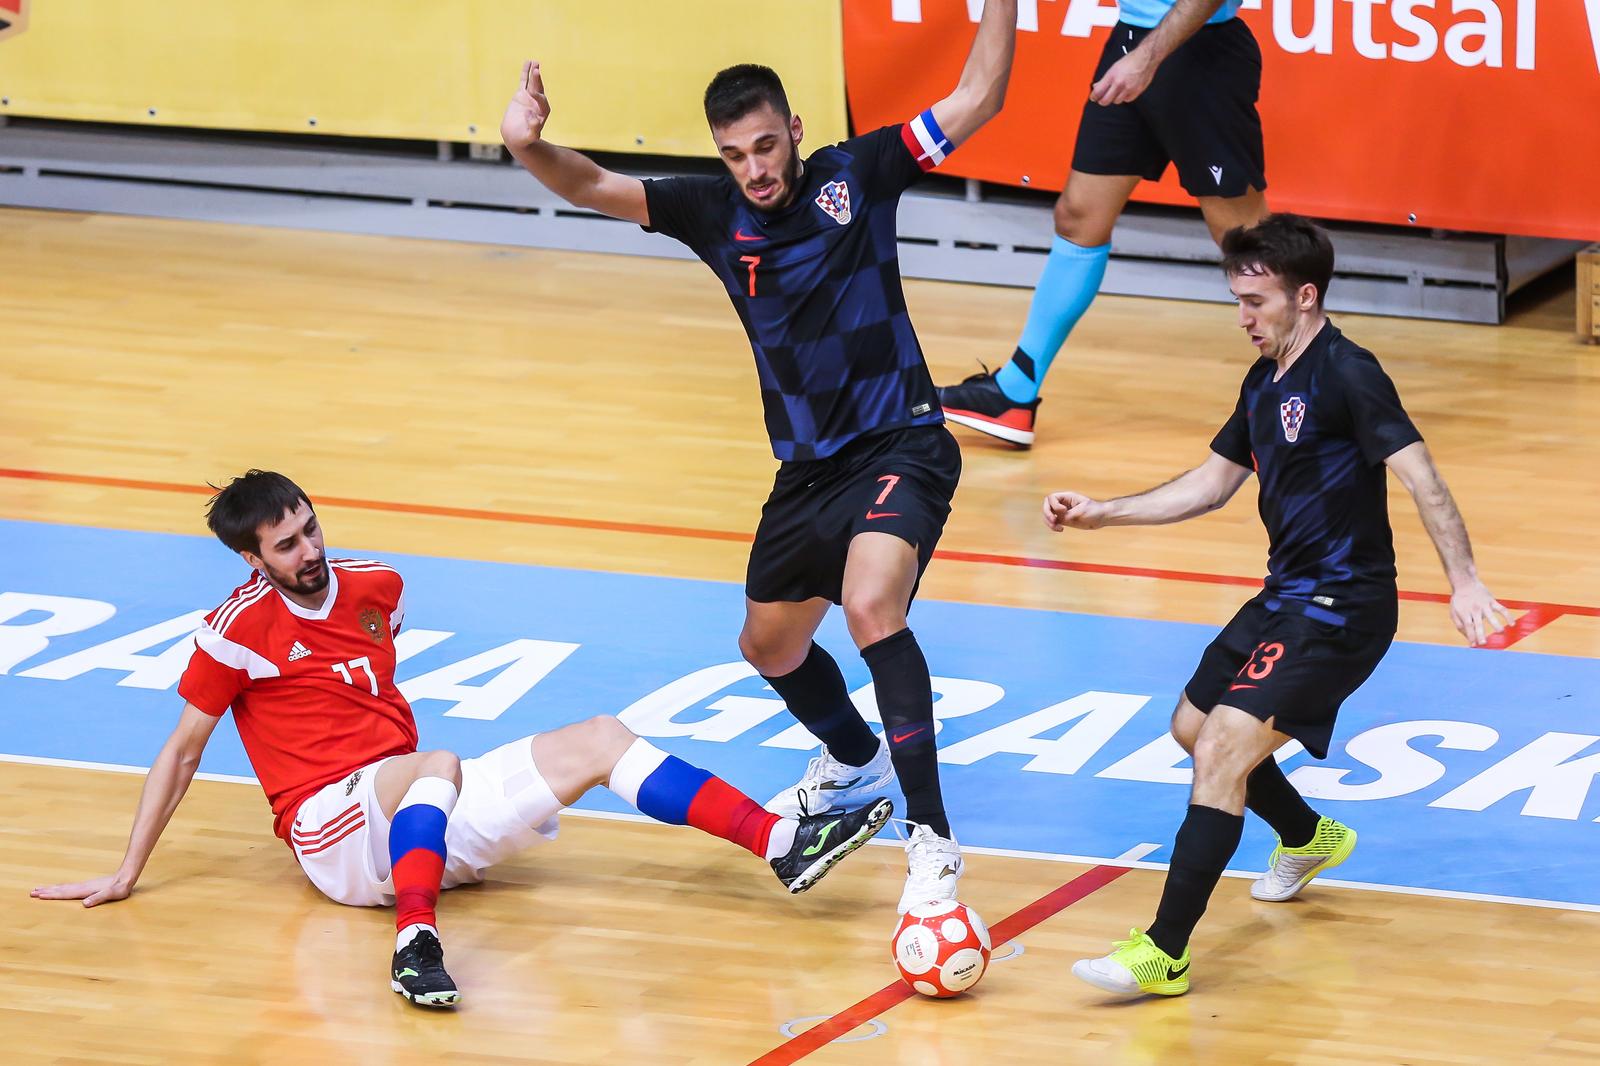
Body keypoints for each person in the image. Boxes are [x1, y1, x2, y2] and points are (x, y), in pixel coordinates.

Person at [499, 1, 1018, 913]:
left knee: (868, 606)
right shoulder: (709, 211)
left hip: (904, 439)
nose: (755, 169)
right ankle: (856, 762)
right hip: (808, 471)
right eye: (736, 154)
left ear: (796, 134)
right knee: (768, 644)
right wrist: (526, 146)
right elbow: (590, 185)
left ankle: (931, 842)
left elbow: (979, 95)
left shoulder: (858, 174)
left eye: (767, 147)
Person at [31, 471, 892, 1008]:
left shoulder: (376, 586)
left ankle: (780, 843)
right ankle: (415, 943)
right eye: (286, 545)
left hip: (411, 809)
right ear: (253, 561)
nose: (310, 549)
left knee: (599, 737)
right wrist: (126, 871)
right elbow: (183, 751)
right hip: (329, 833)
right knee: (435, 763)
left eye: (310, 527)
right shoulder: (237, 630)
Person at [1044, 215, 1509, 997]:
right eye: (1237, 300)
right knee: (1191, 729)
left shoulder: (1348, 373)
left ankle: (1165, 951)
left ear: (1306, 295)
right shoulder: (1262, 382)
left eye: (1257, 302)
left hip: (1344, 604)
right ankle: (1307, 834)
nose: (1244, 318)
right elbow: (1212, 482)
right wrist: (1104, 512)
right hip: (1284, 594)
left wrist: (1463, 582)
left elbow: (1421, 476)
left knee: (1225, 747)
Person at [938, 0, 1269, 447]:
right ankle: (1015, 392)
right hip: (1132, 40)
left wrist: (1146, 59)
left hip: (1198, 52)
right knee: (1079, 216)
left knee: (1246, 240)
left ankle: (1311, 388)